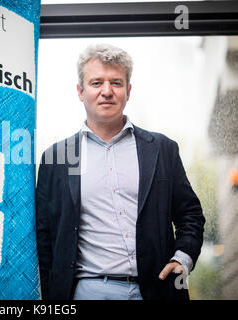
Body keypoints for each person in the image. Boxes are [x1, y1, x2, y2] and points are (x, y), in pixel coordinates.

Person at [35, 44, 205, 300]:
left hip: (156, 290)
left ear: (128, 91)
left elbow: (190, 214)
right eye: (96, 83)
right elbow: (44, 236)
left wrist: (182, 258)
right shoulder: (56, 157)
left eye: (116, 83)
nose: (106, 92)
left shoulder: (162, 149)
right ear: (80, 91)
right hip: (85, 291)